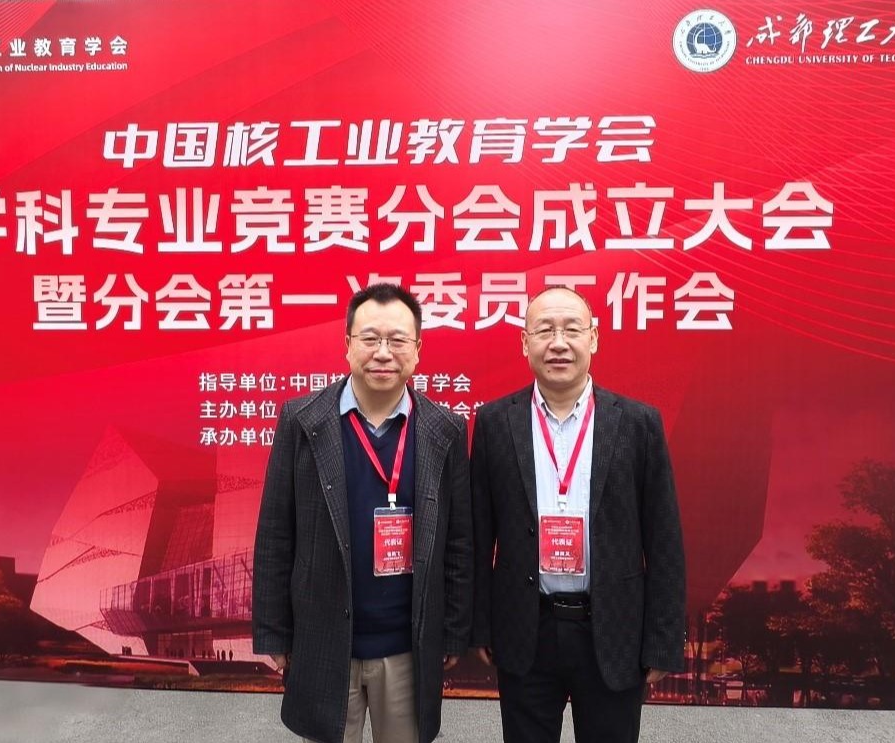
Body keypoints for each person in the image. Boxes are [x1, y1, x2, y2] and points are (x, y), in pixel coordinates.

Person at [253, 283, 473, 743]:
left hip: (408, 647)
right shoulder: (303, 421)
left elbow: (458, 543)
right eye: (370, 338)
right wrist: (273, 632)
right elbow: (275, 534)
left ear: (418, 350)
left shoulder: (445, 429)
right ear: (348, 345)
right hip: (326, 640)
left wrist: (453, 633)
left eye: (398, 340)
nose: (383, 353)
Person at [470, 286, 685, 743]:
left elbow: (663, 538)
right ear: (524, 342)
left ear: (594, 338)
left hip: (612, 627)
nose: (558, 343)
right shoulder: (494, 422)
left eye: (572, 329)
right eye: (544, 330)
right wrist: (480, 626)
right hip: (527, 626)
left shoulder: (638, 423)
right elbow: (478, 535)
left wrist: (663, 640)